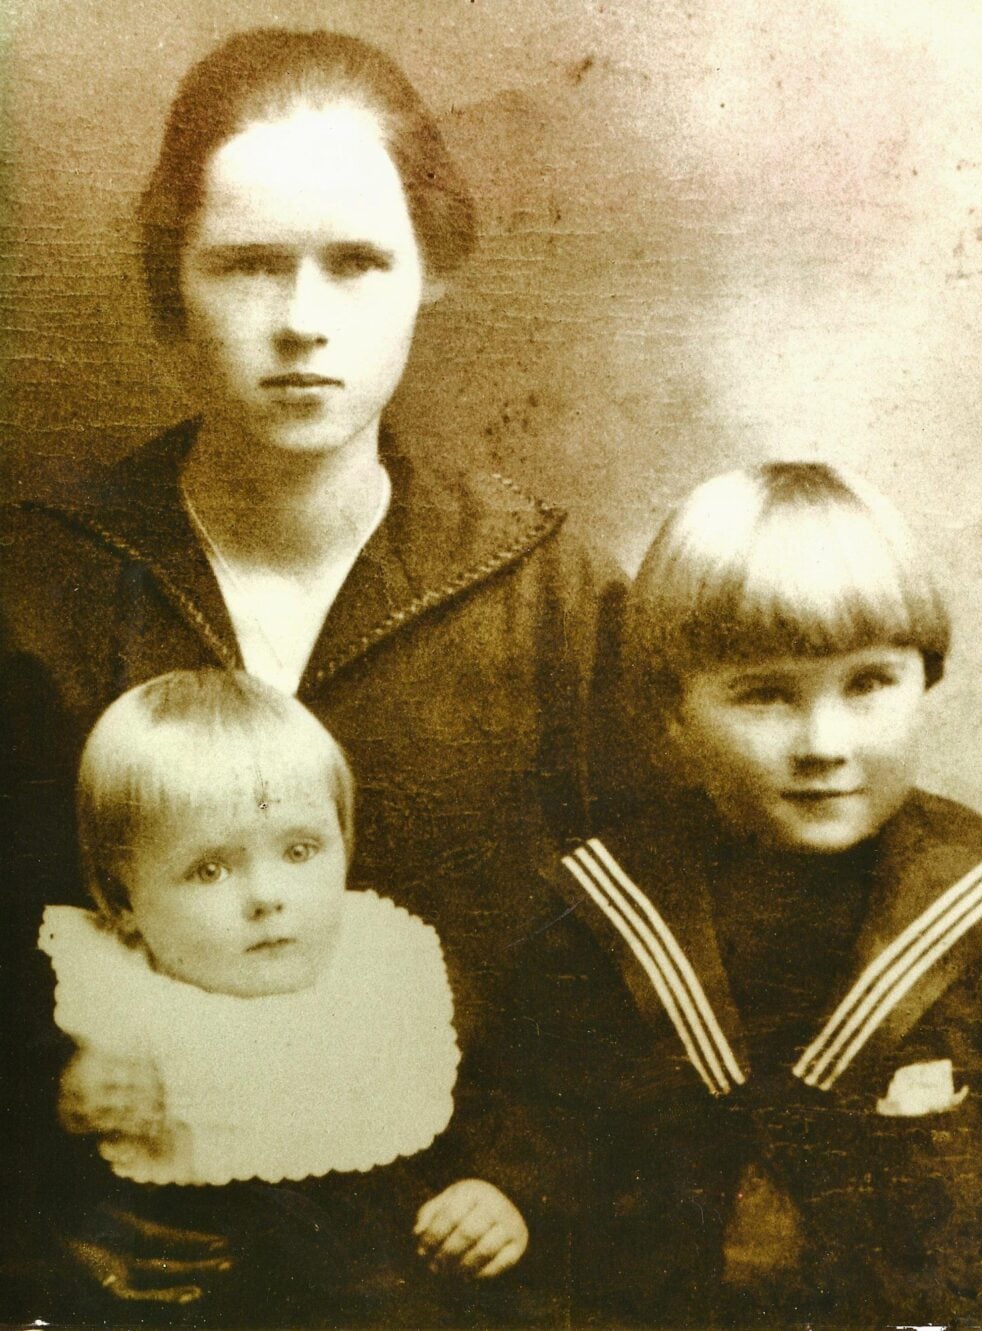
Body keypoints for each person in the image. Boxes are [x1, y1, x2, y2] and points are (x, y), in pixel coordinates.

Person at [0, 26, 620, 1319]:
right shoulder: (40, 587)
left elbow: (644, 962)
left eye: (354, 262)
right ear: (173, 278)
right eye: (244, 266)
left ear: (430, 270)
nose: (299, 321)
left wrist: (529, 1178)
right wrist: (40, 1210)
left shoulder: (554, 602)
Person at [525, 462, 982, 1326]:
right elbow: (546, 1178)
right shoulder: (601, 921)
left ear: (925, 681)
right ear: (672, 710)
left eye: (868, 683)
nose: (823, 743)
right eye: (765, 694)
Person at [42, 669, 530, 1326]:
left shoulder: (393, 973)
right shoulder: (93, 1006)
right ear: (124, 894)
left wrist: (494, 1193)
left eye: (300, 849)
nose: (268, 895)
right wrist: (66, 1097)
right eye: (209, 868)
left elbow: (502, 1112)